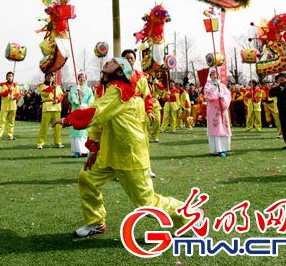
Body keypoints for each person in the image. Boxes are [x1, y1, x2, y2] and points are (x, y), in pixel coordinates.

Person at [53, 57, 186, 238]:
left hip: (128, 152)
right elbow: (101, 120)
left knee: (146, 203)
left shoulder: (119, 90)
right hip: (110, 152)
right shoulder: (108, 89)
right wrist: (94, 147)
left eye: (114, 62)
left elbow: (97, 112)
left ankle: (190, 215)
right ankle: (95, 222)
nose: (108, 61)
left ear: (120, 71)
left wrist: (69, 119)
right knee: (88, 178)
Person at [122, 48, 156, 178]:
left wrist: (149, 111)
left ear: (135, 60)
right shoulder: (118, 77)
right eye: (127, 59)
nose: (129, 60)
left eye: (131, 58)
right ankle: (122, 170)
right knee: (124, 141)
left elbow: (147, 95)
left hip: (139, 111)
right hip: (124, 112)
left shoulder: (141, 76)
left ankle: (146, 168)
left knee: (143, 141)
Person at [204, 68, 232, 157]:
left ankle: (224, 148)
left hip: (222, 109)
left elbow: (228, 95)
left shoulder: (222, 86)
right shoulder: (208, 85)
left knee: (223, 127)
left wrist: (223, 97)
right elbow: (207, 95)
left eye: (216, 74)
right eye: (212, 75)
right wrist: (214, 87)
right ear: (210, 76)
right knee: (216, 128)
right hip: (213, 109)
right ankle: (218, 149)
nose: (214, 76)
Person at [67, 73, 94, 157]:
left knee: (83, 132)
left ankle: (85, 151)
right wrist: (75, 93)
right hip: (76, 111)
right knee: (75, 131)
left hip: (84, 112)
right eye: (80, 77)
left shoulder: (89, 90)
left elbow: (91, 100)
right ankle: (76, 151)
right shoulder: (74, 89)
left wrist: (86, 105)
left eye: (83, 77)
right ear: (78, 79)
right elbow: (70, 99)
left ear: (86, 79)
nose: (82, 79)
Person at [37, 72, 64, 149]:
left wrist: (57, 99)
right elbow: (44, 93)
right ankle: (40, 143)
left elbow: (61, 95)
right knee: (44, 127)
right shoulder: (41, 86)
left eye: (51, 76)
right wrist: (52, 87)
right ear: (45, 77)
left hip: (56, 107)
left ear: (53, 77)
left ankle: (58, 142)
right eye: (48, 76)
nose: (49, 77)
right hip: (47, 108)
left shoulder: (58, 87)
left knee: (57, 127)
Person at [0, 72, 20, 141]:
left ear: (13, 77)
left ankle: (10, 135)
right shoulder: (3, 85)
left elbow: (18, 94)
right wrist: (9, 90)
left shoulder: (16, 85)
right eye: (8, 76)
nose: (10, 77)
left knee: (11, 121)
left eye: (11, 76)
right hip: (5, 106)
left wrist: (14, 96)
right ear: (6, 77)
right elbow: (2, 94)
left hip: (13, 106)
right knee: (2, 121)